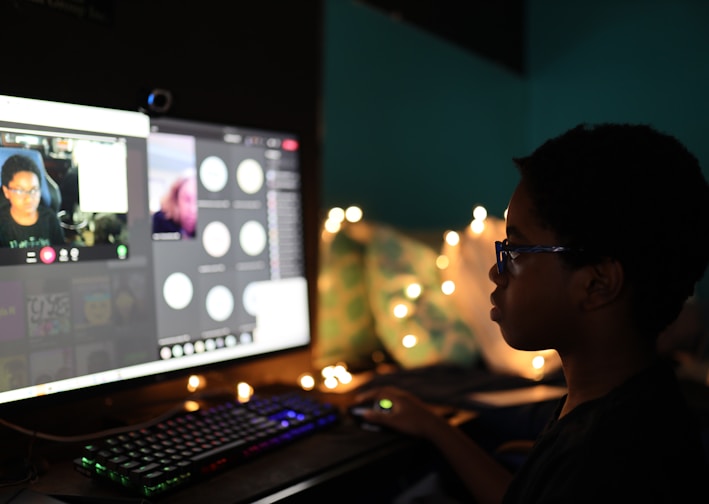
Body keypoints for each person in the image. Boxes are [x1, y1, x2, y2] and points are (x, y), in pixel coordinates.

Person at [356, 123, 709, 503]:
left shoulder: (607, 464)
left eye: (517, 250)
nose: (496, 271)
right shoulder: (622, 399)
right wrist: (435, 427)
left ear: (596, 284)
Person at [0, 154, 65, 248]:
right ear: (6, 192)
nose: (29, 198)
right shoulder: (2, 225)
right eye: (20, 191)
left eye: (34, 190)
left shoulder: (50, 219)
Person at [152, 172, 198, 238]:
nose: (192, 210)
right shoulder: (159, 223)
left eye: (196, 202)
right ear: (176, 198)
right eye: (187, 200)